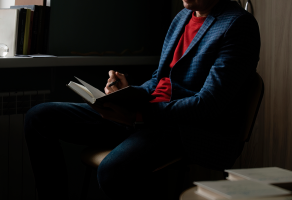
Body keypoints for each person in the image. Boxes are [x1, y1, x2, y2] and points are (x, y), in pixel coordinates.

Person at [24, 0, 260, 199]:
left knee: (113, 171)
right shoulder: (182, 16)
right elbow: (160, 79)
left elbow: (209, 105)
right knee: (39, 117)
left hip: (184, 127)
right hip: (146, 115)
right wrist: (127, 94)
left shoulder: (238, 25)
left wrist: (140, 114)